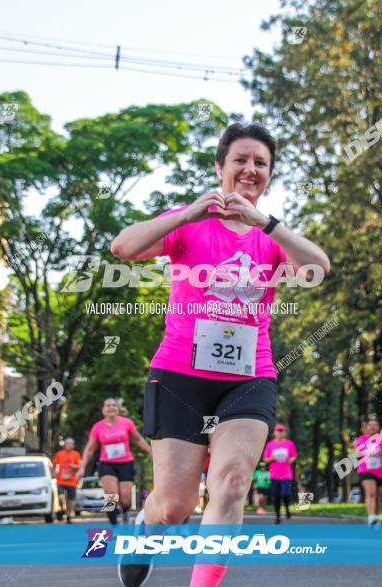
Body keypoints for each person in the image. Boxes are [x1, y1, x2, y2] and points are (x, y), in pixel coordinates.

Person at [110, 122, 330, 587]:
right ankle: (145, 525)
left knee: (231, 483)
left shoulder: (272, 235)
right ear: (220, 167)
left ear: (269, 174)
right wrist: (187, 213)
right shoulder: (188, 225)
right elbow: (123, 247)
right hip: (179, 375)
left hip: (249, 377)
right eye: (240, 160)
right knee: (174, 506)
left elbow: (318, 268)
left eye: (260, 163)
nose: (250, 169)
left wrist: (266, 223)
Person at [79, 398, 151, 525]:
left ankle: (125, 514)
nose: (111, 407)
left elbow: (138, 439)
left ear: (118, 409)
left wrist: (151, 451)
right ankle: (114, 524)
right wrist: (82, 467)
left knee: (126, 499)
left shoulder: (126, 423)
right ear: (103, 410)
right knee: (111, 494)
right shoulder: (98, 427)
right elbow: (90, 449)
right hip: (106, 463)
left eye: (114, 405)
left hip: (125, 463)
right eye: (108, 405)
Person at [354, 418, 382, 527]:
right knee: (371, 493)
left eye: (375, 425)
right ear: (366, 427)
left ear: (379, 427)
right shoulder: (362, 439)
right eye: (370, 425)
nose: (372, 427)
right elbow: (356, 453)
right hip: (365, 470)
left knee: (377, 496)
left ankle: (375, 516)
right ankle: (371, 516)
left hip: (381, 471)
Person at [263, 424, 297, 523]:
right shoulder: (270, 445)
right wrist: (272, 458)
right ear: (274, 432)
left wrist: (290, 459)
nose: (280, 433)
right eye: (278, 431)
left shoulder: (290, 444)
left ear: (285, 433)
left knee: (285, 493)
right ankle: (277, 516)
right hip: (274, 474)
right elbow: (265, 459)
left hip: (286, 474)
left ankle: (287, 509)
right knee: (276, 495)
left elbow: (293, 456)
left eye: (282, 431)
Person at [52, 437, 82, 523]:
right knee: (61, 497)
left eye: (71, 443)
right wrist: (53, 473)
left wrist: (74, 466)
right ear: (64, 444)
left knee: (71, 500)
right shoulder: (59, 454)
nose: (69, 445)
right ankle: (63, 508)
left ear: (73, 445)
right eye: (67, 443)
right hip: (61, 480)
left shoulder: (76, 454)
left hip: (72, 481)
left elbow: (80, 466)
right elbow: (54, 464)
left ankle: (68, 516)